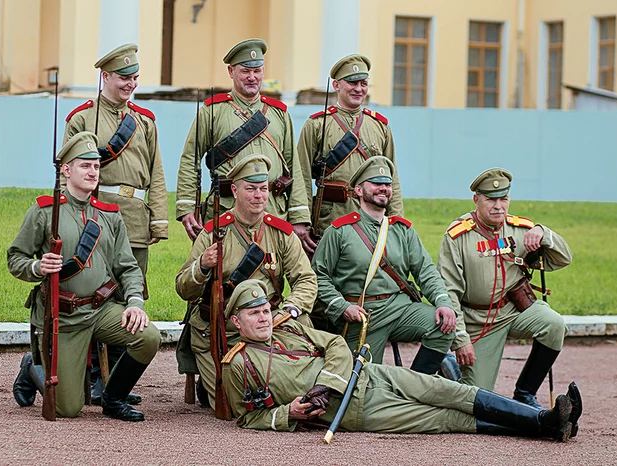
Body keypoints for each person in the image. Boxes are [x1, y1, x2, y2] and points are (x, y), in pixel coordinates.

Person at [221, 279, 582, 442]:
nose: (265, 318)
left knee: (450, 390)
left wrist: (326, 383)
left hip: (371, 374)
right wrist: (291, 414)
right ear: (237, 321)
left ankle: (545, 419)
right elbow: (247, 417)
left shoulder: (289, 328)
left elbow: (334, 343)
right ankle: (547, 426)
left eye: (266, 310)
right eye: (254, 314)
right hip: (356, 411)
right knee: (446, 419)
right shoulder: (238, 365)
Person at [9, 132, 161, 421]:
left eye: (96, 167)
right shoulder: (44, 212)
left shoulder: (110, 215)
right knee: (67, 408)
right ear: (66, 170)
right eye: (85, 166)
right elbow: (15, 257)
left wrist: (135, 302)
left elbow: (128, 266)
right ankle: (32, 367)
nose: (93, 172)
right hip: (64, 315)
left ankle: (113, 399)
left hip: (102, 308)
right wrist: (37, 267)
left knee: (149, 336)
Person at [63, 43, 168, 404]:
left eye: (135, 77)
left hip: (135, 219)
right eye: (124, 77)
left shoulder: (145, 121)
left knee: (127, 297)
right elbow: (72, 171)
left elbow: (156, 173)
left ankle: (118, 380)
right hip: (96, 219)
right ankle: (93, 373)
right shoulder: (82, 118)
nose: (130, 84)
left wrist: (159, 222)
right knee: (94, 294)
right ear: (105, 76)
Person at [175, 154, 317, 406]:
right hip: (223, 327)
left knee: (289, 386)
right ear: (235, 190)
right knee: (234, 403)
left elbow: (306, 280)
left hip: (269, 322)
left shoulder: (280, 233)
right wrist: (203, 266)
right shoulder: (213, 232)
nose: (259, 195)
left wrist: (287, 311)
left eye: (263, 189)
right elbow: (183, 287)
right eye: (250, 189)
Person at [438, 168, 573, 409]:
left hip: (515, 312)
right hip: (478, 321)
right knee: (478, 400)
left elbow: (563, 259)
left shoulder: (522, 229)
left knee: (554, 325)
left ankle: (525, 393)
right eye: (491, 199)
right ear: (476, 200)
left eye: (504, 199)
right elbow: (450, 292)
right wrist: (461, 340)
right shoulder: (458, 236)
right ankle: (450, 365)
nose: (499, 206)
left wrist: (544, 234)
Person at [312, 156, 455, 374]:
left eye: (387, 184)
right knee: (361, 384)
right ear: (359, 191)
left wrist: (443, 302)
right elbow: (318, 276)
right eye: (376, 183)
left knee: (442, 328)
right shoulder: (339, 231)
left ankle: (413, 387)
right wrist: (342, 307)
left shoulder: (402, 230)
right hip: (361, 316)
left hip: (399, 308)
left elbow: (426, 271)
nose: (383, 189)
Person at [175, 38, 313, 251]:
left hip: (272, 208)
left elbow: (292, 165)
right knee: (226, 271)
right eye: (245, 71)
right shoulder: (212, 111)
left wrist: (299, 215)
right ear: (231, 72)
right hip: (227, 208)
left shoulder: (279, 114)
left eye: (257, 71)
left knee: (271, 272)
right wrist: (186, 207)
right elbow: (189, 159)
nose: (252, 77)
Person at [297, 54, 403, 238]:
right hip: (329, 219)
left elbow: (392, 178)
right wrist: (302, 220)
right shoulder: (316, 125)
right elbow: (302, 176)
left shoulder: (380, 126)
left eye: (363, 83)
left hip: (372, 217)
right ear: (337, 85)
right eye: (352, 83)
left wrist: (396, 221)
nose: (359, 89)